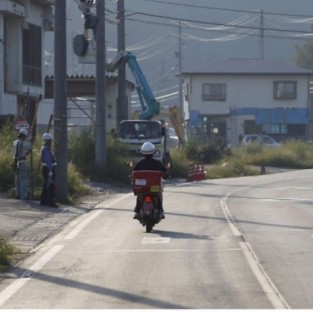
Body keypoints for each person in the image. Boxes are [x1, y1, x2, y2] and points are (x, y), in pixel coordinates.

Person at [133, 142, 168, 220]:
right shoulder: (157, 163)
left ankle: (137, 211)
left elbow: (134, 173)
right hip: (154, 188)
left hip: (142, 188)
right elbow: (165, 172)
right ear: (153, 152)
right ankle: (161, 211)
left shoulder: (139, 163)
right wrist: (166, 176)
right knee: (159, 195)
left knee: (139, 196)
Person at [40, 133, 58, 208]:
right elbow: (48, 161)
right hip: (48, 169)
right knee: (51, 185)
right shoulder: (46, 149)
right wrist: (50, 170)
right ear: (48, 140)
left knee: (46, 185)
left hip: (46, 169)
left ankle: (43, 201)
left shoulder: (45, 148)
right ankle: (50, 202)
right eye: (50, 140)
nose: (51, 141)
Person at [12, 128, 32, 200]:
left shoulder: (14, 142)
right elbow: (29, 147)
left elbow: (18, 152)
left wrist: (25, 153)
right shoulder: (22, 143)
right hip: (21, 162)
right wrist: (30, 140)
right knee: (24, 179)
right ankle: (23, 196)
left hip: (15, 162)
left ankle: (18, 194)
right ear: (23, 136)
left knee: (17, 179)